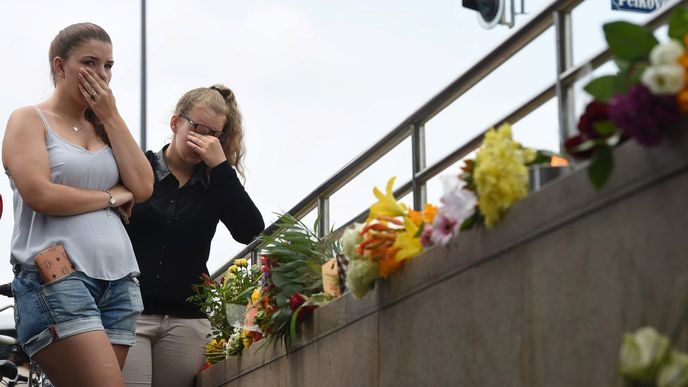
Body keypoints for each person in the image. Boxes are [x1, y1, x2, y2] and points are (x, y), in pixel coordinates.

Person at [1, 23, 153, 387]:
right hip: (59, 279)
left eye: (109, 65)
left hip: (118, 282)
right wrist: (112, 197)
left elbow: (145, 186)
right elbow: (42, 194)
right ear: (59, 66)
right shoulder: (29, 119)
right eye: (90, 62)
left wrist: (112, 116)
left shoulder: (104, 126)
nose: (102, 75)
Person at [122, 85, 265, 387]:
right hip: (130, 313)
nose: (203, 139)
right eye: (197, 128)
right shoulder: (140, 168)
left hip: (186, 323)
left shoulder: (217, 183)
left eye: (214, 134)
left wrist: (222, 167)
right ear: (175, 123)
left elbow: (250, 229)